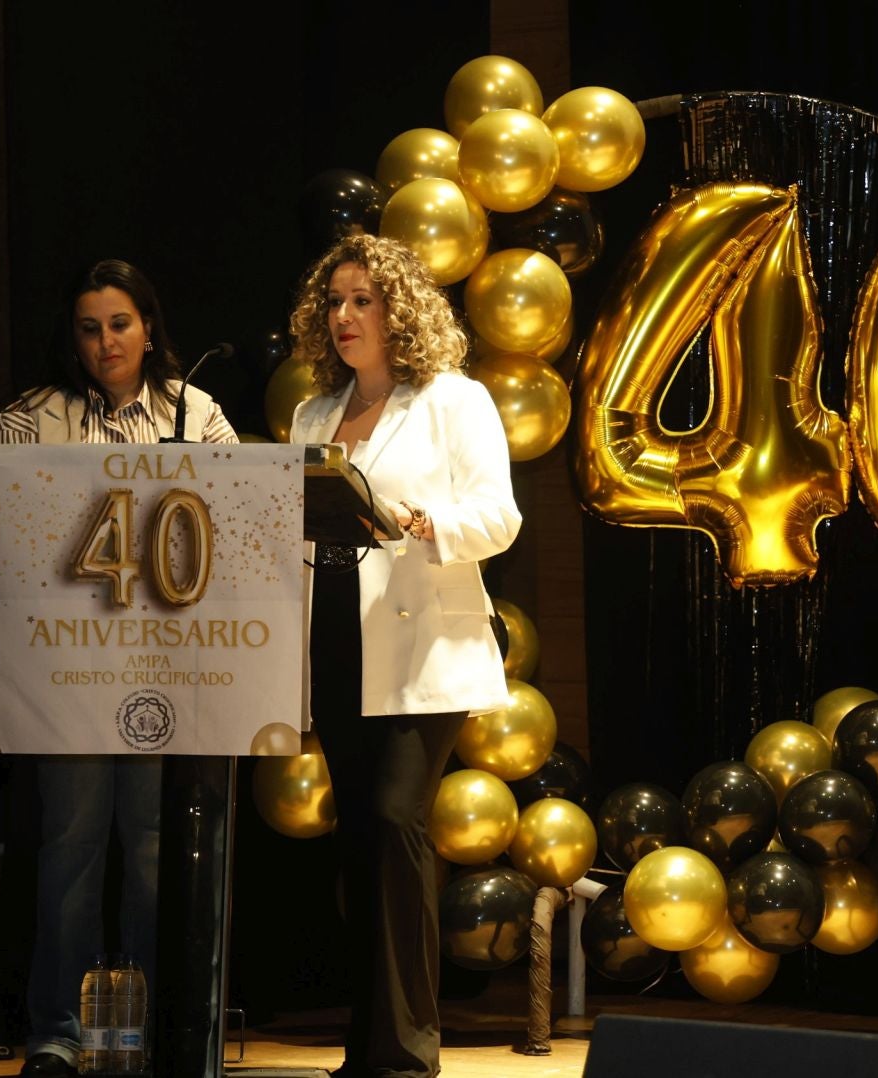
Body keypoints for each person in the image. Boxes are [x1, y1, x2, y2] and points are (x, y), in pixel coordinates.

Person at [0, 258, 238, 1077]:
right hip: (69, 674)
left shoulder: (196, 413)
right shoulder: (30, 421)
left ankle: (156, 1030)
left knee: (157, 849)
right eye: (90, 327)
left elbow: (240, 512)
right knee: (70, 846)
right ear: (73, 335)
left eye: (121, 324)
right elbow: (7, 537)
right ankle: (59, 1035)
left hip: (172, 668)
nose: (106, 342)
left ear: (149, 327)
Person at [286, 233, 521, 1078]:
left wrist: (428, 524)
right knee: (362, 840)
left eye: (363, 301)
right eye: (335, 303)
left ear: (400, 311)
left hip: (425, 637)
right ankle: (370, 1050)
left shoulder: (455, 401)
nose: (345, 317)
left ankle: (409, 1051)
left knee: (394, 821)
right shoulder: (314, 415)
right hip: (338, 637)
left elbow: (500, 518)